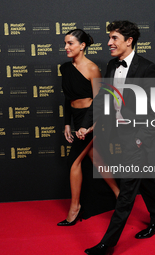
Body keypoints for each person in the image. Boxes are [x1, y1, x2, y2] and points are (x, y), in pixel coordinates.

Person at [77, 21, 155, 254]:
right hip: (121, 134)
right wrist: (86, 125)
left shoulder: (148, 69)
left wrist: (139, 139)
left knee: (127, 191)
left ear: (129, 41)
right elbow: (102, 99)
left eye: (114, 38)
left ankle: (108, 243)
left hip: (138, 138)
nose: (109, 43)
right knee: (144, 181)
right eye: (109, 38)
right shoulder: (111, 65)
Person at [57, 29, 120, 226]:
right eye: (65, 43)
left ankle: (75, 208)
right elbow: (68, 98)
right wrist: (67, 123)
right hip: (76, 118)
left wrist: (88, 126)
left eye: (70, 43)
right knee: (96, 158)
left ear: (82, 46)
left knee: (73, 162)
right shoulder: (65, 68)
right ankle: (121, 195)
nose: (66, 47)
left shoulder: (92, 68)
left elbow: (100, 102)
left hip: (91, 119)